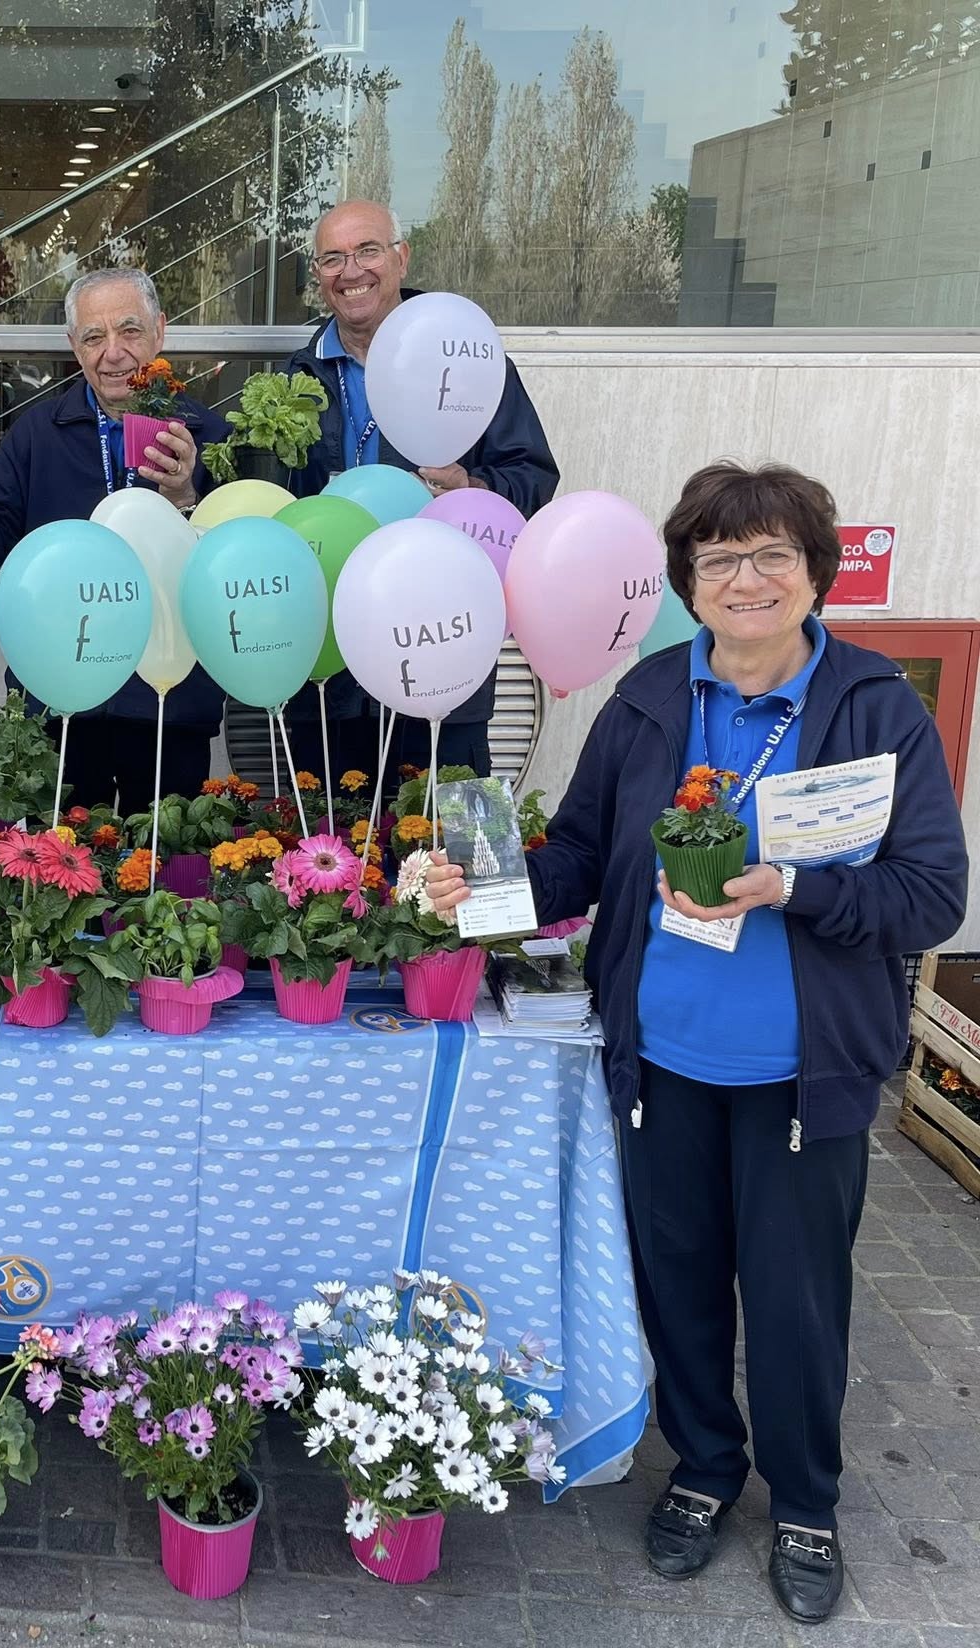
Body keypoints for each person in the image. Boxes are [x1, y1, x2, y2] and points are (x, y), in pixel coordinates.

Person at [426, 462, 967, 1625]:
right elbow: (574, 858)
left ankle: (806, 1501)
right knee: (674, 1290)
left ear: (814, 570)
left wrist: (793, 886)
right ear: (687, 581)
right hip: (659, 1065)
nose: (745, 578)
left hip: (799, 1079)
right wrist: (473, 890)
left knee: (792, 1302)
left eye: (771, 553)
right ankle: (704, 1470)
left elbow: (929, 895)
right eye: (717, 559)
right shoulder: (647, 702)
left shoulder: (871, 709)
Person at [279, 200, 559, 780]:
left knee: (446, 843)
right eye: (332, 258)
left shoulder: (469, 359)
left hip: (439, 641)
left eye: (368, 251)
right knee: (329, 853)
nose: (350, 271)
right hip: (327, 657)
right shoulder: (291, 379)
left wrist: (470, 488)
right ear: (317, 276)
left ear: (402, 258)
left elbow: (533, 479)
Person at [0, 267, 232, 808]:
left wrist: (189, 496)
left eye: (130, 331)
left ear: (161, 331)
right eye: (94, 338)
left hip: (170, 703)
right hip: (63, 701)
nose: (113, 353)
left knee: (170, 876)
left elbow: (233, 577)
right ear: (74, 348)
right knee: (64, 875)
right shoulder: (36, 434)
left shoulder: (208, 435)